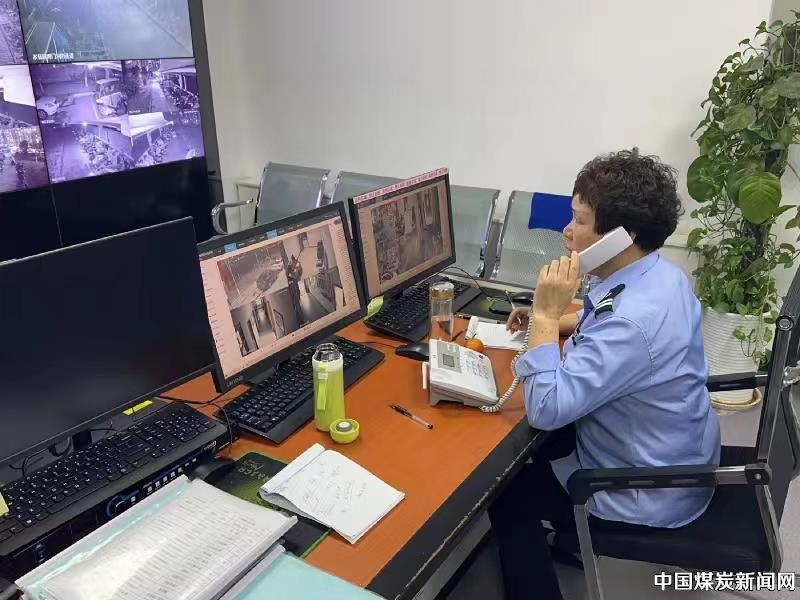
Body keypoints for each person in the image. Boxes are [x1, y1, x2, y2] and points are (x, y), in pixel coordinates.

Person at [488, 150, 720, 600]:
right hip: (680, 456)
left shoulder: (632, 323)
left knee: (506, 492)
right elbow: (610, 315)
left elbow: (545, 408)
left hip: (645, 489)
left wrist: (544, 315)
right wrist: (561, 320)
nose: (566, 231)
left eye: (579, 221)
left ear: (620, 237)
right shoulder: (660, 275)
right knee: (541, 446)